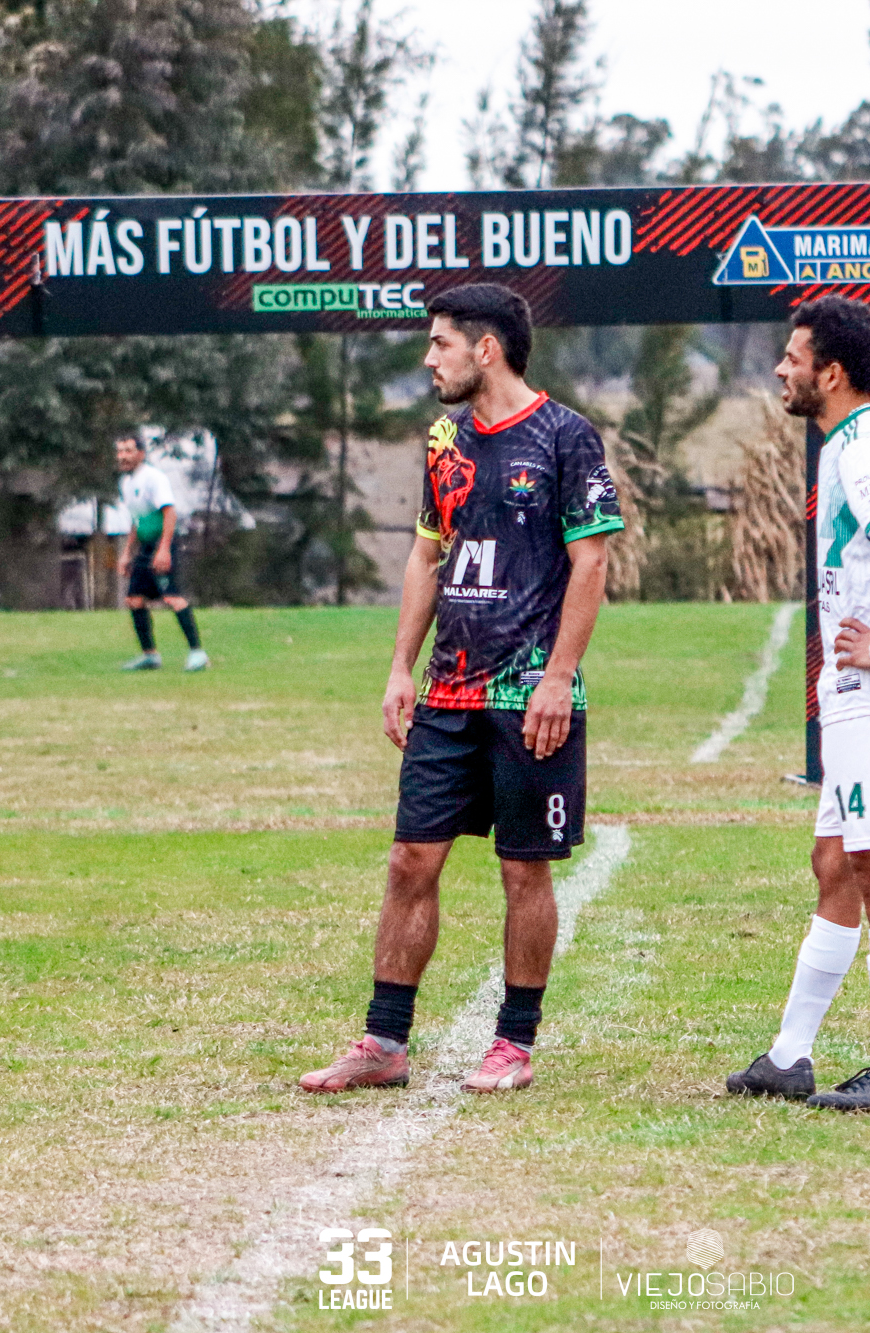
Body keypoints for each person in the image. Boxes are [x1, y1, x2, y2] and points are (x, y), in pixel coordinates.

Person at [300, 283, 623, 1096]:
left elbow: (592, 561)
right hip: (447, 694)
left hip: (528, 696)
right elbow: (426, 556)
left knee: (523, 871)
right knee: (410, 858)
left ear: (486, 348)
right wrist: (400, 667)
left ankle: (513, 1043)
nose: (428, 359)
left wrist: (557, 678)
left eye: (440, 343)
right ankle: (384, 1042)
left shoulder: (566, 436)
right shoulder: (445, 439)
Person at [725, 296, 870, 1113]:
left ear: (831, 372)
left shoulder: (863, 443)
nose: (780, 369)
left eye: (793, 358)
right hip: (859, 690)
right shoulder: (853, 438)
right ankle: (790, 1056)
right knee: (835, 863)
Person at [114, 434, 207, 671]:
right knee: (134, 600)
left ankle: (197, 653)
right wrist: (127, 553)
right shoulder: (126, 483)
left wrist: (164, 549)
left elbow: (170, 513)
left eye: (128, 451)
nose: (123, 456)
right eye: (120, 451)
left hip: (162, 544)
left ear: (141, 454)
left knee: (172, 597)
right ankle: (150, 656)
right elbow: (137, 520)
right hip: (145, 547)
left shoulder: (154, 478)